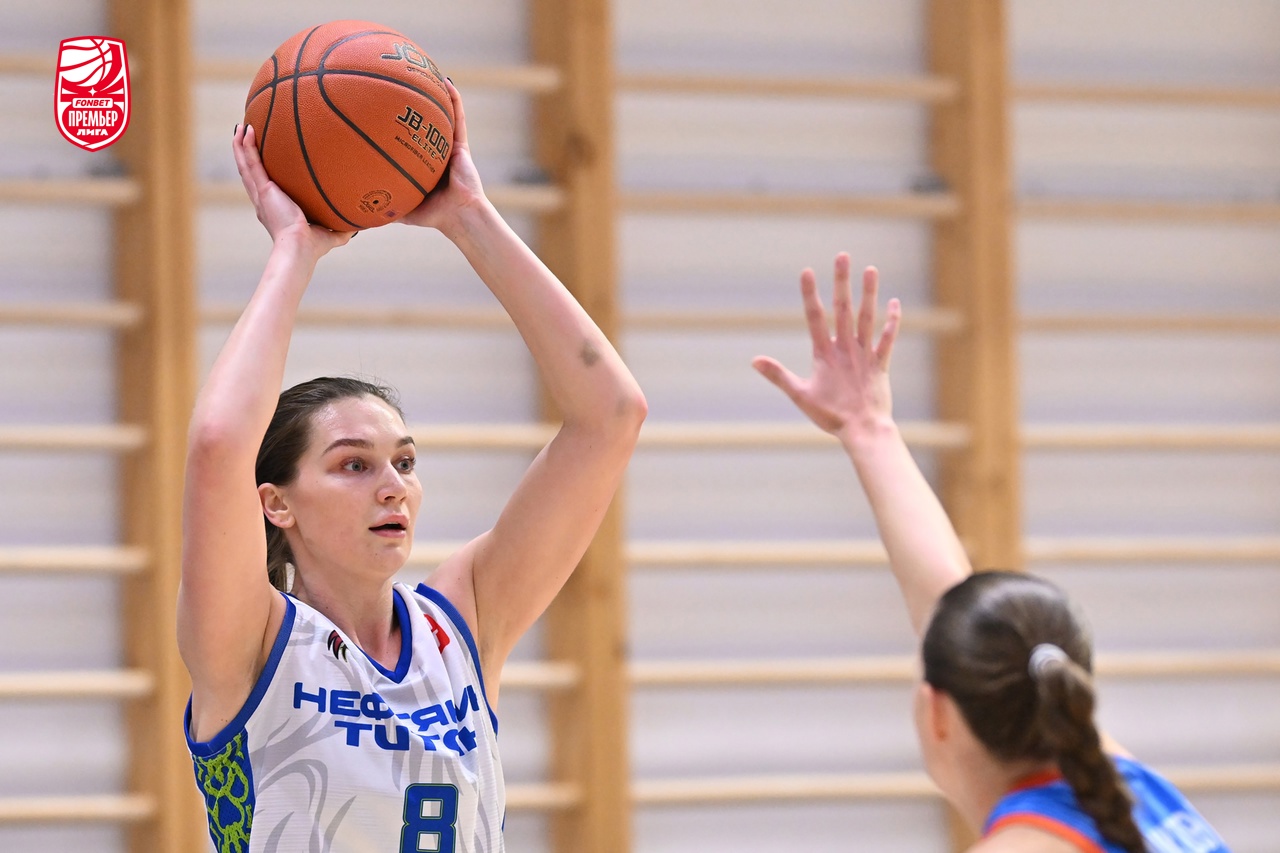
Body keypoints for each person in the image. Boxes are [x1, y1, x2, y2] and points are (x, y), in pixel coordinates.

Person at [179, 79, 646, 853]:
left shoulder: (462, 619)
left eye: (403, 460)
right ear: (277, 503)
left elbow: (612, 414)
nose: (392, 484)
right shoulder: (250, 639)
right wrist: (294, 251)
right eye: (352, 465)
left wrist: (470, 217)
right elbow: (220, 442)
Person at [753, 253, 1231, 853]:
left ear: (937, 714)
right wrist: (868, 430)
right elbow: (949, 603)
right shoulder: (1131, 791)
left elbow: (952, 617)